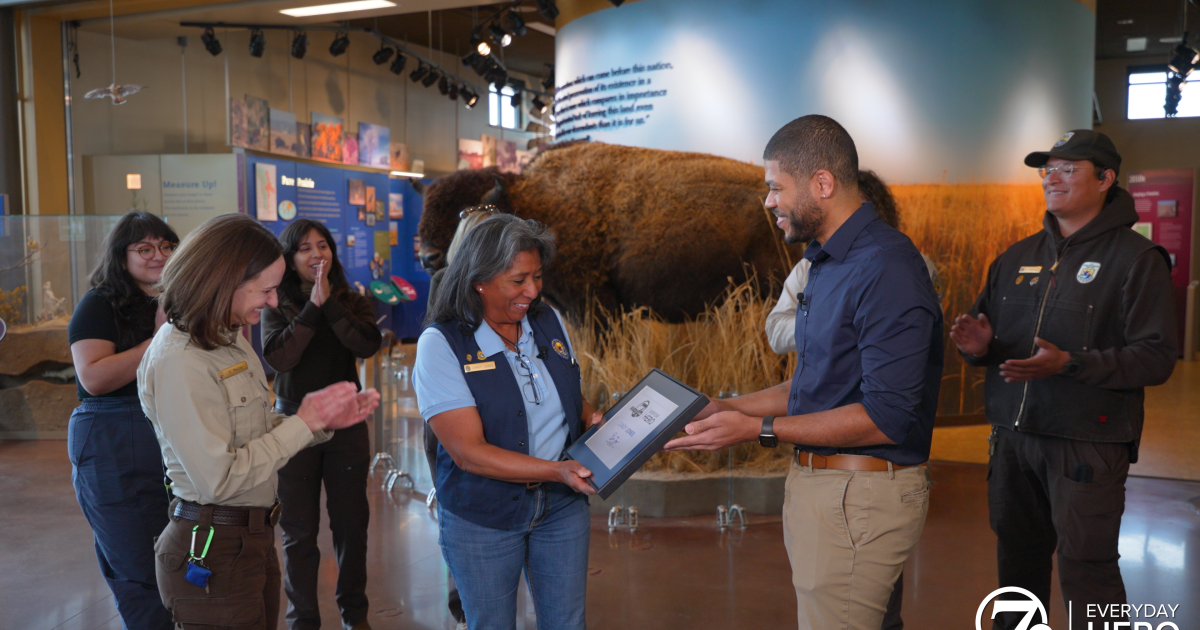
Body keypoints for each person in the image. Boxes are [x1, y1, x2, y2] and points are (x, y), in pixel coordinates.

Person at [664, 115, 943, 630]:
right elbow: (820, 384)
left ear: (822, 183)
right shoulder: (828, 263)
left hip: (857, 497)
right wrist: (729, 407)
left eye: (776, 187)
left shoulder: (887, 268)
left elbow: (886, 416)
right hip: (825, 490)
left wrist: (758, 430)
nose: (769, 201)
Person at [949, 130, 1177, 629]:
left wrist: (1070, 363)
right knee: (1016, 567)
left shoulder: (1137, 261)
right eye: (1047, 169)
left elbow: (1157, 358)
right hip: (1012, 440)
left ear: (1106, 179)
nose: (1053, 177)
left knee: (1087, 572)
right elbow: (991, 339)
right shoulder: (1014, 258)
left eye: (1069, 169)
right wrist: (979, 349)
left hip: (1087, 445)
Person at [138, 213, 380, 630]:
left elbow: (251, 430)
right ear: (223, 281)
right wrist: (303, 423)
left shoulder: (227, 340)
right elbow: (220, 478)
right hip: (213, 546)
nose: (273, 302)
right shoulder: (180, 362)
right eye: (266, 290)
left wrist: (323, 420)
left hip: (251, 539)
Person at [413, 214, 600, 630]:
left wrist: (596, 419)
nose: (532, 292)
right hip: (483, 516)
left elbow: (569, 394)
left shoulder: (547, 320)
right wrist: (557, 470)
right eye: (518, 281)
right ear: (479, 279)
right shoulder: (441, 345)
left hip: (561, 509)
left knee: (568, 622)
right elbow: (469, 454)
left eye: (537, 277)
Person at [262, 219, 383, 630]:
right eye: (304, 249)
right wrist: (313, 306)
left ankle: (355, 615)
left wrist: (329, 302)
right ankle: (303, 621)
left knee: (352, 525)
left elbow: (366, 344)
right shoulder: (275, 303)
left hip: (347, 427)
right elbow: (280, 359)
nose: (317, 255)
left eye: (323, 246)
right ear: (289, 258)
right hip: (294, 425)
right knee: (299, 532)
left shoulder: (352, 298)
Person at [67, 211, 179, 630]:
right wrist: (159, 337)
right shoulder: (99, 303)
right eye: (145, 248)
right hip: (113, 435)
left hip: (165, 433)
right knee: (136, 562)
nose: (159, 256)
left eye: (167, 246)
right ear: (122, 255)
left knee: (174, 556)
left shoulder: (173, 298)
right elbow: (93, 377)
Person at [422, 204, 498, 630]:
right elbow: (444, 344)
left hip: (500, 420)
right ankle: (465, 607)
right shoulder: (444, 284)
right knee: (461, 514)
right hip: (453, 416)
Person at [766, 170, 941, 355]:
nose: (846, 221)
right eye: (838, 209)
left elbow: (920, 337)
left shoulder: (917, 265)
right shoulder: (809, 265)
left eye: (856, 211)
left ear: (880, 213)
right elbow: (775, 330)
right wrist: (824, 325)